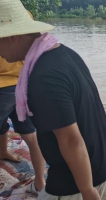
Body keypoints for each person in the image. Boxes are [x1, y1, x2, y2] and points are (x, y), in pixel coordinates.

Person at [0, 0, 106, 199]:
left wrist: (87, 191)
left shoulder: (43, 77)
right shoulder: (64, 52)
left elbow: (71, 140)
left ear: (13, 37)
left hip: (77, 181)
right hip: (104, 164)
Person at [0, 11, 45, 193]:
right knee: (31, 134)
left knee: (31, 134)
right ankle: (40, 182)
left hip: (5, 84)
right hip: (22, 82)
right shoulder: (23, 14)